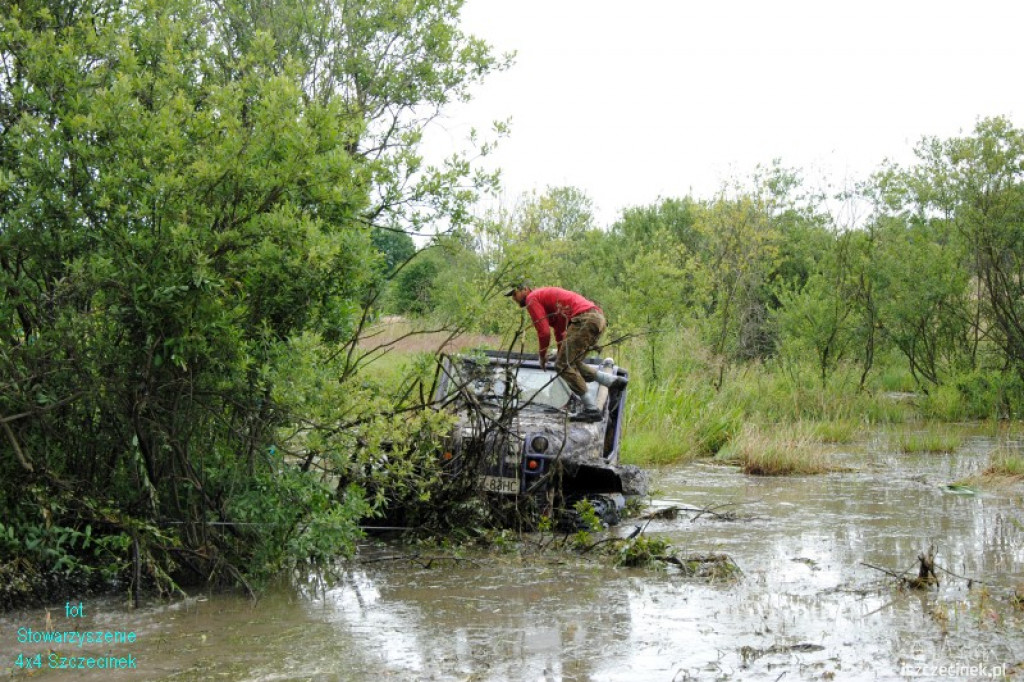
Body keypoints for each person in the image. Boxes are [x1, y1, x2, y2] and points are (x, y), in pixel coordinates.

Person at [505, 283, 627, 421]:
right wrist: (560, 353)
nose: (514, 299)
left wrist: (542, 356)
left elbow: (544, 332)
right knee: (571, 363)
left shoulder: (532, 299)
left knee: (563, 366)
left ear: (525, 289)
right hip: (596, 319)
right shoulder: (545, 299)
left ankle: (591, 410)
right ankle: (614, 382)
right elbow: (559, 330)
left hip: (584, 320)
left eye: (515, 294)